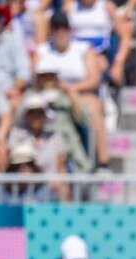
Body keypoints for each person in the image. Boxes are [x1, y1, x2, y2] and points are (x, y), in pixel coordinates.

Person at [35, 12, 111, 170]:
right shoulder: (42, 51)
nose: (60, 32)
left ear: (70, 30)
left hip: (79, 94)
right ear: (51, 31)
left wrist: (70, 89)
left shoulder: (83, 49)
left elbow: (94, 79)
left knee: (94, 107)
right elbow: (35, 78)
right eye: (56, 28)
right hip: (49, 97)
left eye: (64, 28)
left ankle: (103, 162)